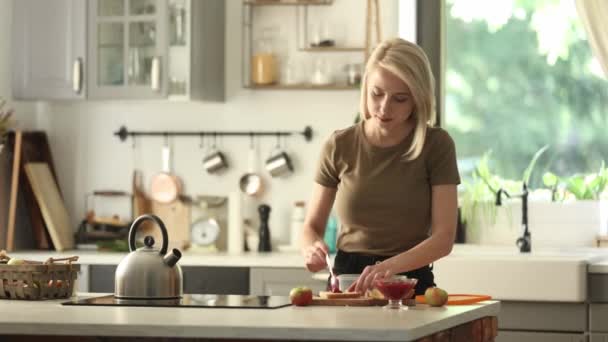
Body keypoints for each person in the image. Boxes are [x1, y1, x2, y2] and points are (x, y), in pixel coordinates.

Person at [300, 37, 460, 296]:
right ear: (365, 89)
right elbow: (311, 228)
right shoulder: (339, 144)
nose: (384, 107)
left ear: (417, 100)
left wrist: (387, 269)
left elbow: (444, 238)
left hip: (410, 280)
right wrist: (311, 249)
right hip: (349, 280)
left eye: (399, 98)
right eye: (377, 94)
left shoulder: (437, 145)